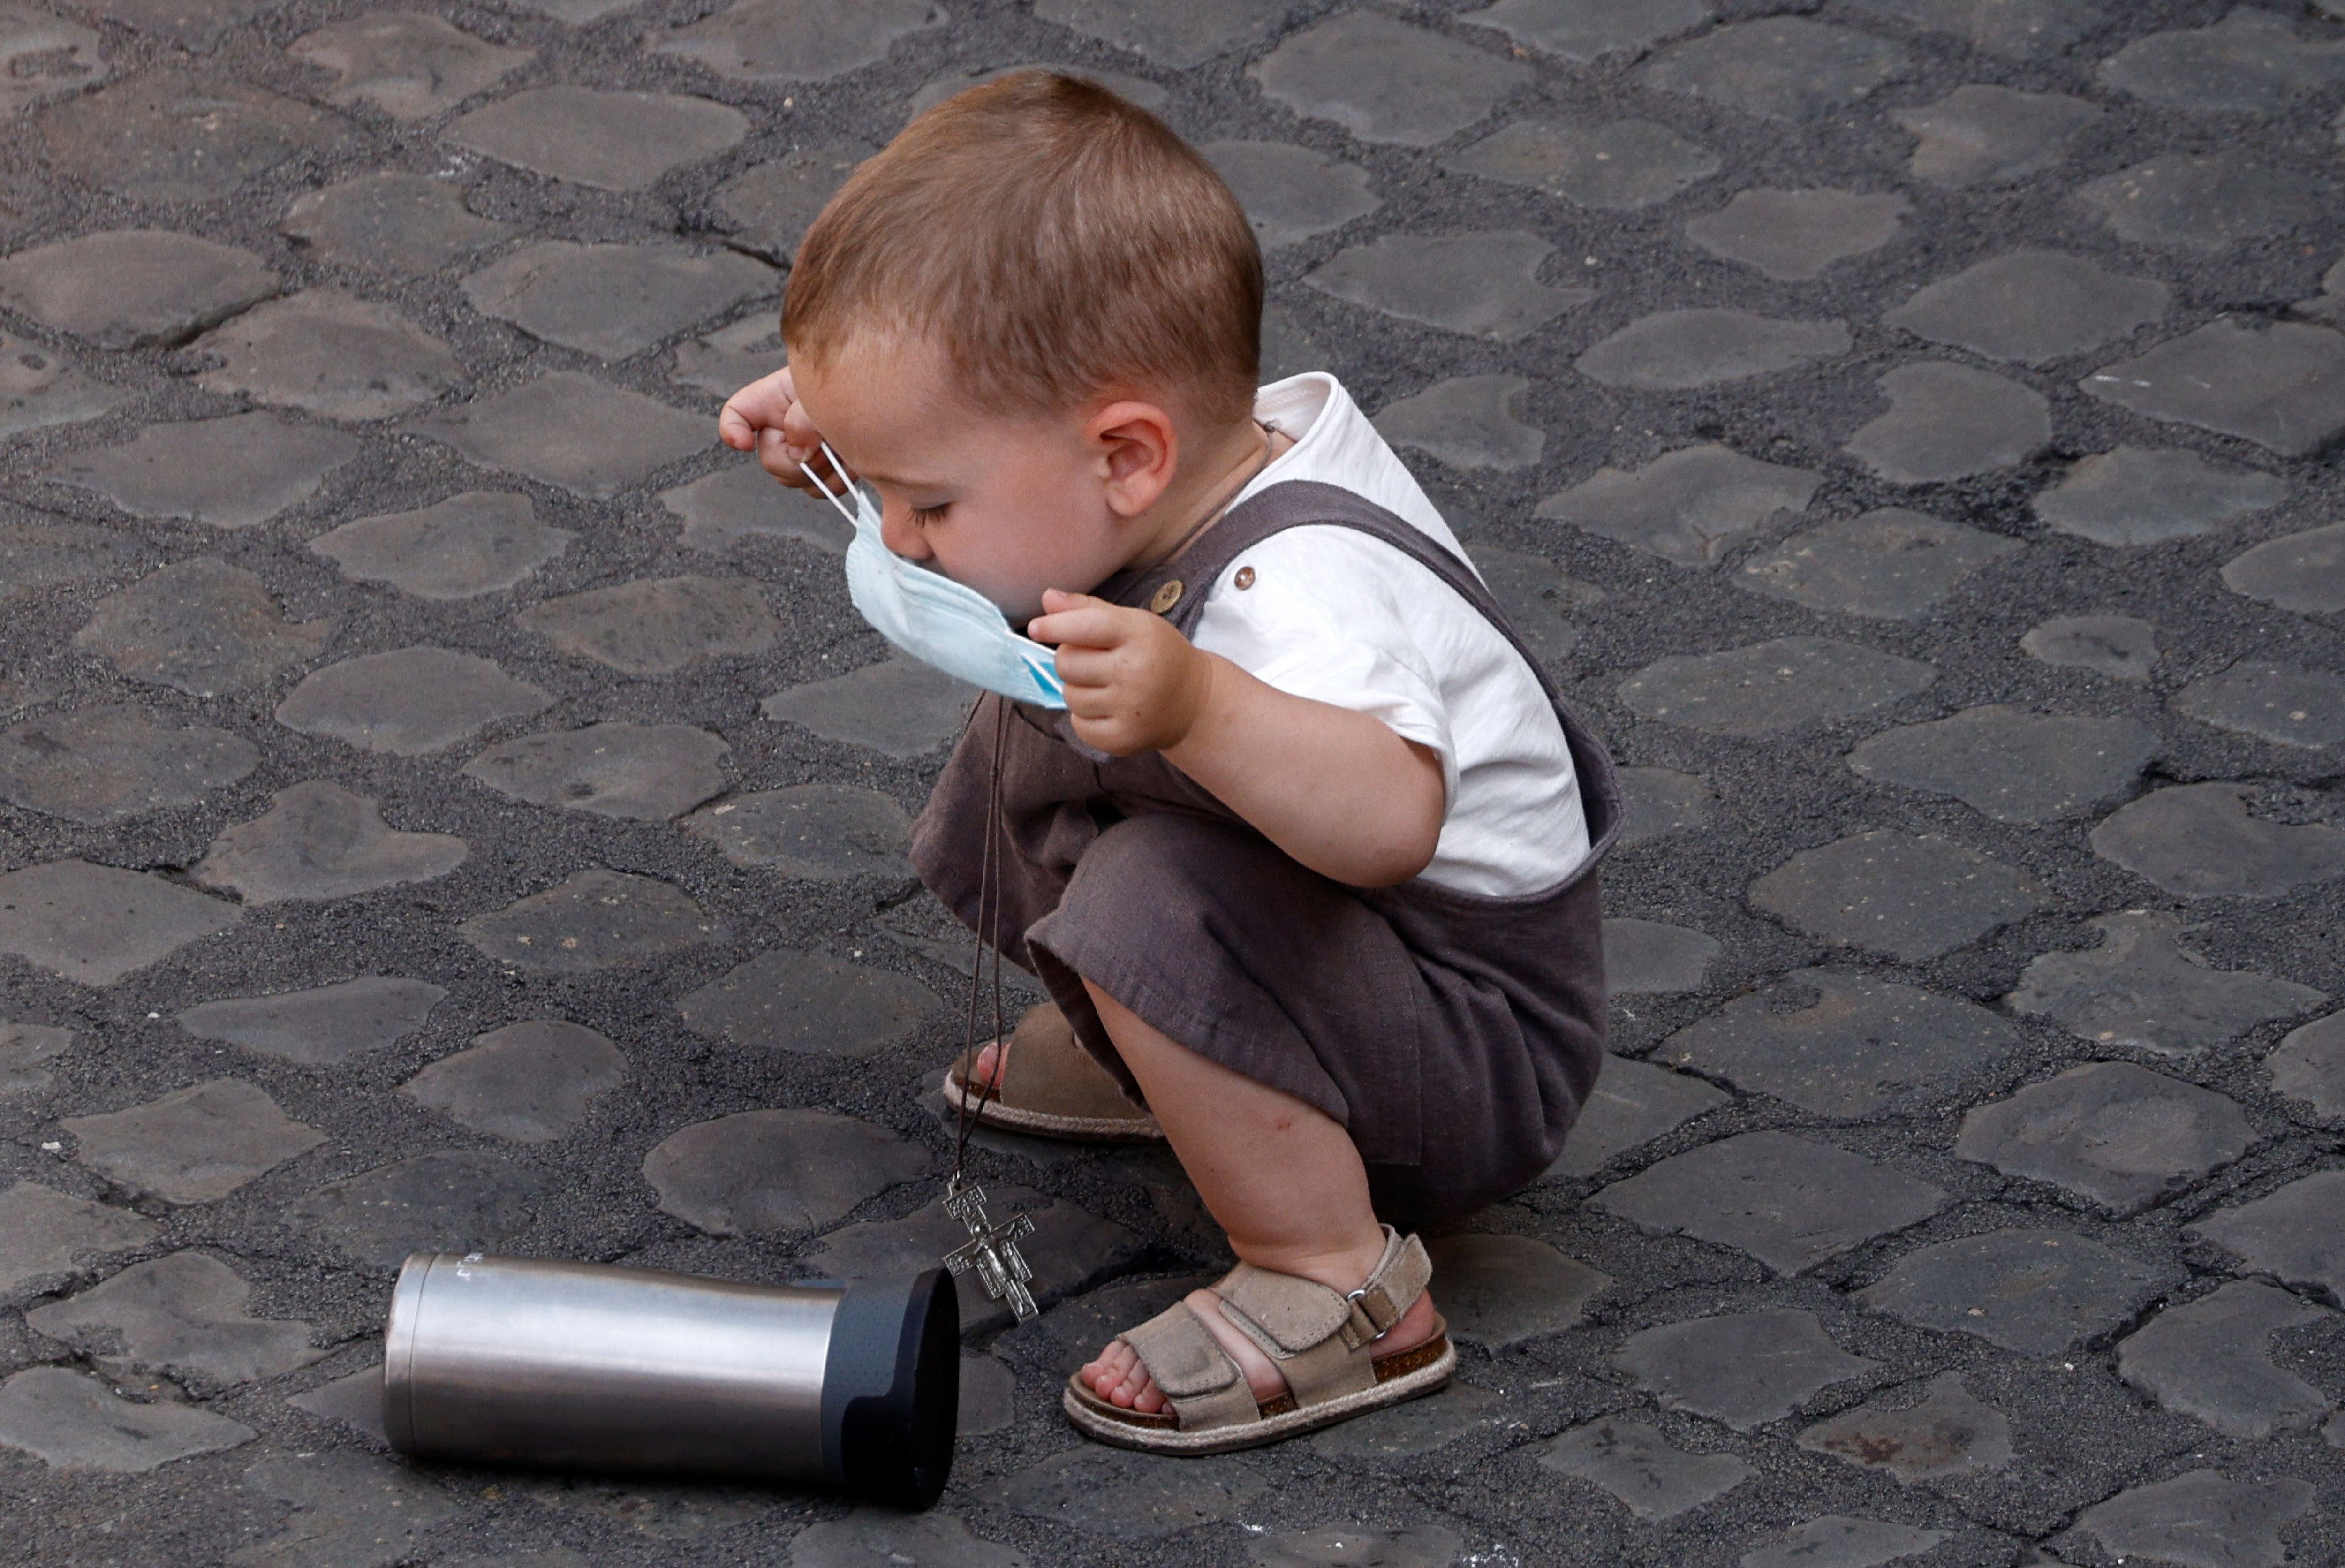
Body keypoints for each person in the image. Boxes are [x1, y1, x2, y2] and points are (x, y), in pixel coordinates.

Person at [719, 70, 1617, 1455]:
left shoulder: (1298, 595)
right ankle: (1170, 1052)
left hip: (1471, 1037)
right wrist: (863, 431)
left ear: (1126, 457)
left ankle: (1337, 1280)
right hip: (1353, 948)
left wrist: (1197, 705)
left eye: (927, 500)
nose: (894, 539)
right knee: (1047, 688)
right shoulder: (1174, 448)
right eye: (886, 491)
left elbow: (1386, 822)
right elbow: (1007, 432)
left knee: (1145, 881)